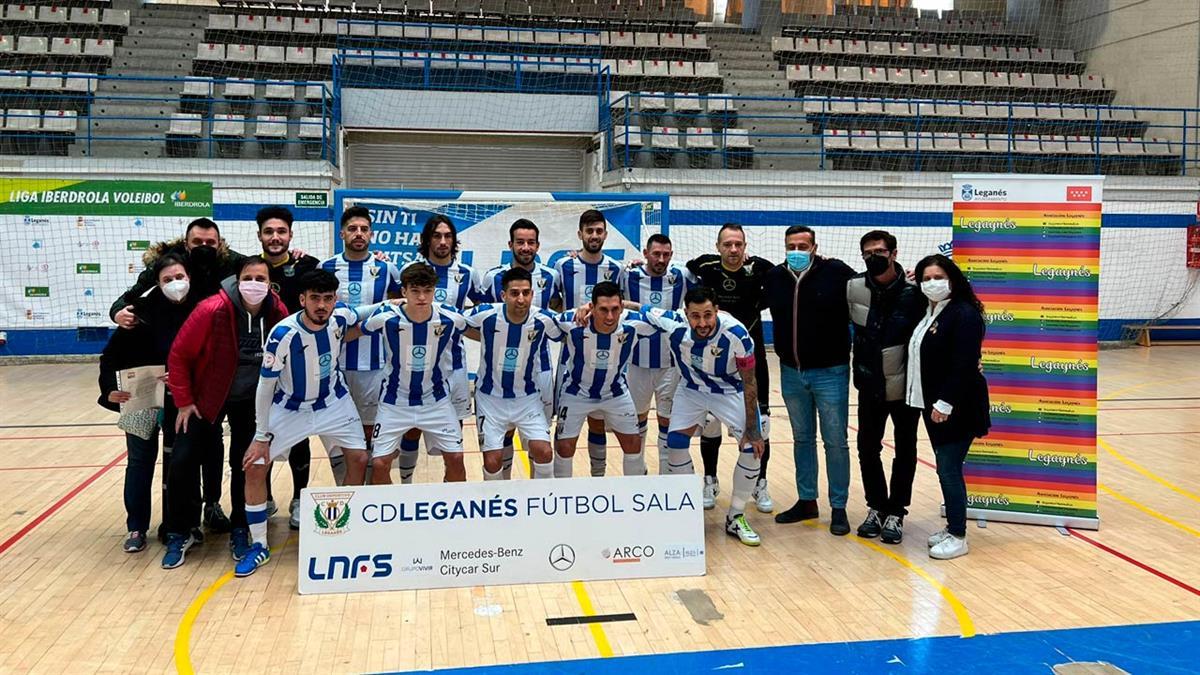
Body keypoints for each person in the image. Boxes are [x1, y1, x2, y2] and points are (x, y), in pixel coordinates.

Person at [237, 269, 375, 576]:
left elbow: (366, 312)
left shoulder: (339, 320)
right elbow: (265, 387)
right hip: (290, 408)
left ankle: (346, 526)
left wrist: (398, 302)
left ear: (335, 300)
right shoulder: (283, 334)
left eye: (328, 299)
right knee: (256, 466)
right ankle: (258, 544)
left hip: (335, 403)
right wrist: (261, 435)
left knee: (360, 457)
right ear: (302, 300)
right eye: (315, 299)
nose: (322, 305)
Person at [111, 217, 237, 538]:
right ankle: (137, 528)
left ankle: (194, 514)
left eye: (211, 243)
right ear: (186, 243)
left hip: (189, 385)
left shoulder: (225, 270)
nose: (205, 248)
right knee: (141, 456)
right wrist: (117, 312)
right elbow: (123, 306)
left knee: (194, 450)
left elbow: (258, 270)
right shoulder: (148, 296)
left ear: (219, 244)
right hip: (142, 385)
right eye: (198, 243)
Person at [162, 256, 288, 568]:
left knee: (248, 463)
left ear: (270, 284)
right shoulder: (211, 309)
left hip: (251, 401)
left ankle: (241, 528)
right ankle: (181, 530)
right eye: (249, 277)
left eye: (261, 279)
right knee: (182, 461)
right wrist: (184, 401)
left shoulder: (277, 311)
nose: (254, 284)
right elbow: (178, 355)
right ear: (237, 279)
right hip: (207, 398)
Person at [625, 286, 766, 546]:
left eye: (708, 315)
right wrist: (606, 304)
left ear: (717, 311)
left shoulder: (737, 334)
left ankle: (735, 516)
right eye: (695, 316)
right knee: (675, 444)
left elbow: (749, 382)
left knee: (753, 448)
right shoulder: (672, 322)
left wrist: (752, 427)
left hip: (730, 391)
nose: (702, 323)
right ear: (685, 314)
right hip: (691, 390)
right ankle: (688, 510)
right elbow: (639, 308)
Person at [97, 254, 196, 553]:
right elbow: (109, 358)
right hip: (140, 400)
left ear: (189, 278)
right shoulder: (138, 312)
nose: (174, 284)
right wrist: (108, 391)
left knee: (180, 463)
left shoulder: (200, 311)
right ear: (157, 283)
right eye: (167, 280)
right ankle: (137, 527)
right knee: (140, 462)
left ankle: (179, 525)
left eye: (179, 277)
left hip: (181, 401)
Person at [764, 225, 857, 536]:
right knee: (802, 439)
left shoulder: (837, 272)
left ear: (815, 247)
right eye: (792, 245)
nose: (797, 251)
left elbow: (870, 288)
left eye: (803, 246)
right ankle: (807, 501)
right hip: (791, 372)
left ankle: (839, 507)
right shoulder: (775, 277)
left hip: (831, 372)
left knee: (835, 441)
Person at [907, 254, 990, 561]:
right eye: (926, 278)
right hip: (931, 403)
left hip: (957, 406)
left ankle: (958, 535)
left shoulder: (964, 313)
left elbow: (964, 364)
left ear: (952, 278)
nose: (932, 283)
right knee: (946, 469)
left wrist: (945, 403)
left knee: (949, 470)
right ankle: (953, 527)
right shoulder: (930, 311)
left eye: (938, 277)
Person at [686, 224, 774, 513]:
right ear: (718, 246)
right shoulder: (707, 268)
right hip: (716, 360)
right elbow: (685, 265)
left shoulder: (760, 270)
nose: (733, 250)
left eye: (738, 244)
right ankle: (710, 480)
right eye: (727, 244)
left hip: (752, 357)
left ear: (745, 247)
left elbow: (782, 274)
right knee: (710, 423)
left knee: (761, 425)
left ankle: (760, 483)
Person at [847, 230, 926, 544]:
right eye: (867, 253)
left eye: (879, 252)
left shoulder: (916, 291)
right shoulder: (853, 287)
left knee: (905, 450)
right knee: (867, 448)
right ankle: (876, 507)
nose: (873, 257)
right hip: (869, 384)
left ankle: (897, 512)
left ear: (893, 253)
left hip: (905, 386)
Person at [363, 263, 468, 484]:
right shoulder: (385, 317)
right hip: (394, 401)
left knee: (457, 458)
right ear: (404, 292)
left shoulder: (452, 318)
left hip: (436, 400)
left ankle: (452, 515)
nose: (421, 297)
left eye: (427, 291)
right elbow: (354, 330)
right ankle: (392, 513)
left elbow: (482, 329)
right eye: (415, 291)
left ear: (434, 291)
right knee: (381, 463)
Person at [474, 219, 562, 477]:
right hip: (497, 377)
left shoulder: (551, 276)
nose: (525, 247)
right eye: (520, 242)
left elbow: (557, 309)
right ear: (510, 244)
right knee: (502, 438)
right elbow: (484, 322)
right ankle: (505, 492)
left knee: (539, 443)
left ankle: (536, 497)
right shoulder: (493, 277)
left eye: (531, 242)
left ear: (538, 245)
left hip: (539, 372)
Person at [320, 206, 402, 475]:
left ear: (372, 234)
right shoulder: (327, 267)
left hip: (375, 364)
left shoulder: (386, 268)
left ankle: (367, 493)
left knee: (369, 431)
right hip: (334, 365)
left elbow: (399, 305)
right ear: (342, 233)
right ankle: (344, 492)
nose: (358, 234)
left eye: (364, 229)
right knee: (337, 431)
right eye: (353, 229)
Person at [256, 205, 320, 529]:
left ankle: (299, 498)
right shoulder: (250, 271)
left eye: (281, 232)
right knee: (261, 432)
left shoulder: (307, 266)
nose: (275, 237)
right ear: (260, 237)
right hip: (261, 365)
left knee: (299, 435)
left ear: (291, 235)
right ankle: (264, 498)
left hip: (299, 366)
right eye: (269, 232)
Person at [552, 281, 656, 477]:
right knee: (564, 447)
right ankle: (561, 497)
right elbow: (539, 321)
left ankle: (635, 496)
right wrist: (579, 308)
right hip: (576, 392)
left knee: (633, 444)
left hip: (615, 393)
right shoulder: (572, 321)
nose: (610, 316)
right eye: (603, 310)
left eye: (615, 309)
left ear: (622, 307)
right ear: (591, 307)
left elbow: (671, 318)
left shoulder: (635, 323)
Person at [397, 215, 477, 467]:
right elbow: (393, 306)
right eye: (436, 236)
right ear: (427, 239)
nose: (443, 241)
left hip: (454, 365)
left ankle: (450, 489)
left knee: (454, 432)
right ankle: (407, 485)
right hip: (415, 365)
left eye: (448, 236)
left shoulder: (467, 274)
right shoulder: (410, 271)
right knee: (412, 429)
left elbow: (487, 306)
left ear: (454, 240)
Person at [554, 210, 626, 478]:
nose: (594, 236)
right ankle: (560, 486)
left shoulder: (617, 269)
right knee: (564, 428)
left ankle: (598, 480)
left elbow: (623, 306)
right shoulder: (563, 267)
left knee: (598, 421)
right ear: (580, 234)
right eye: (589, 231)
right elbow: (553, 305)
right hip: (571, 359)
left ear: (605, 234)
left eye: (599, 231)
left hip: (607, 358)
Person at [623, 234, 693, 474]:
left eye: (666, 254)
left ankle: (665, 475)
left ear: (671, 255)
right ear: (645, 253)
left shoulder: (682, 276)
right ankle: (638, 472)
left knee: (667, 421)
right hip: (636, 362)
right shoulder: (628, 275)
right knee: (637, 420)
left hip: (671, 363)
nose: (661, 259)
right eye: (656, 254)